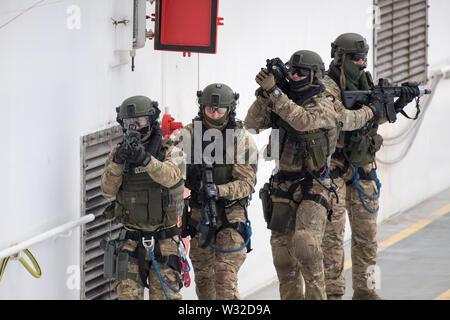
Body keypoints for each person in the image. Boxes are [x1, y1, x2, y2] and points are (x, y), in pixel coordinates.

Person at [244, 50, 381, 300]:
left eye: (301, 73)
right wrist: (265, 95)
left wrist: (276, 93)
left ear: (314, 75)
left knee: (306, 245)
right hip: (283, 185)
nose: (295, 76)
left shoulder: (324, 102)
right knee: (283, 256)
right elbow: (251, 124)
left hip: (315, 186)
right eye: (292, 72)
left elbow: (303, 121)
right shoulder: (281, 100)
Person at [321, 33, 417, 300]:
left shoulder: (364, 80)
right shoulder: (326, 87)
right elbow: (343, 120)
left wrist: (398, 103)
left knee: (368, 239)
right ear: (341, 58)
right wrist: (374, 109)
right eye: (356, 58)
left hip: (363, 169)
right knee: (332, 239)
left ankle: (367, 290)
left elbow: (372, 120)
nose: (362, 63)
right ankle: (334, 294)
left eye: (364, 58)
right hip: (336, 169)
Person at [100, 95, 186, 300]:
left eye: (139, 122)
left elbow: (170, 178)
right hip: (131, 242)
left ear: (150, 121)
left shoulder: (172, 150)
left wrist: (146, 160)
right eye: (129, 123)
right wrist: (119, 162)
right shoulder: (117, 154)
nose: (134, 127)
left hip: (165, 242)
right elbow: (107, 191)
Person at [180, 83, 258, 300]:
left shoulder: (241, 139)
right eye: (210, 110)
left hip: (232, 213)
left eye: (220, 110)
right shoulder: (188, 135)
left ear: (229, 109)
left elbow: (247, 183)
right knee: (204, 283)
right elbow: (170, 166)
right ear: (202, 108)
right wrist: (186, 171)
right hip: (199, 213)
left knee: (225, 275)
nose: (215, 114)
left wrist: (219, 190)